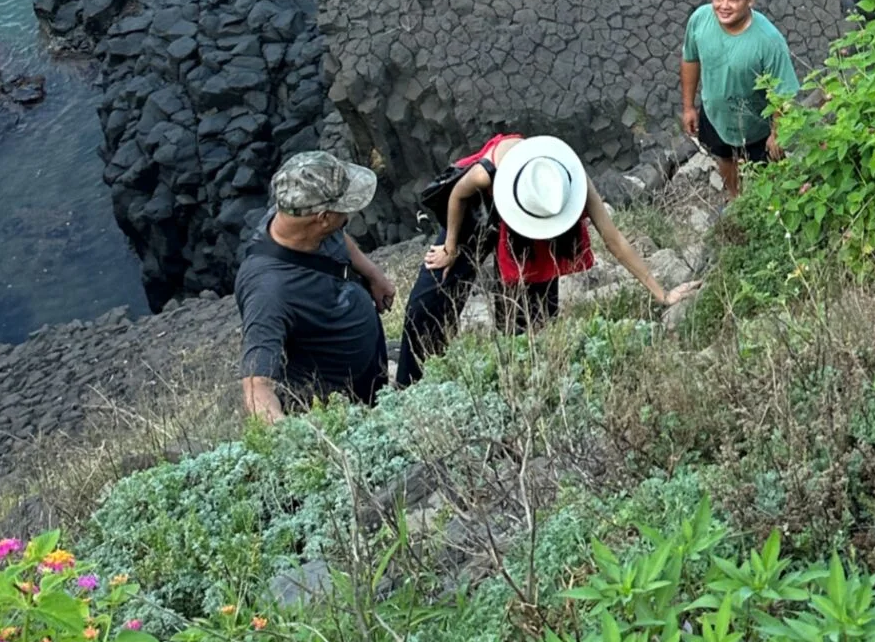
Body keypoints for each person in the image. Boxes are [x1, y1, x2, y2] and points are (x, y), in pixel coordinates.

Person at [397, 131, 695, 388]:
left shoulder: (569, 182)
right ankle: (413, 384)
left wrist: (663, 294)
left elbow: (614, 239)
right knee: (427, 303)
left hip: (532, 218)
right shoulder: (485, 174)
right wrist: (450, 247)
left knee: (528, 319)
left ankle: (520, 373)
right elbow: (457, 197)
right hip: (479, 207)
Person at [235, 150, 397, 423]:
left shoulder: (293, 215)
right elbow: (256, 384)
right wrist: (289, 437)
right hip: (335, 402)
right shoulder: (269, 292)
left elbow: (339, 235)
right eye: (344, 208)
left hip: (367, 364)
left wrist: (373, 274)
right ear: (322, 217)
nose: (350, 212)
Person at [679, 0, 800, 198]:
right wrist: (688, 107)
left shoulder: (769, 42)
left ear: (750, 1)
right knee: (723, 156)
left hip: (758, 128)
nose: (723, 6)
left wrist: (777, 133)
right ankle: (735, 197)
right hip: (715, 115)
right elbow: (690, 59)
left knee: (771, 175)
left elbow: (783, 93)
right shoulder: (700, 20)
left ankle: (771, 209)